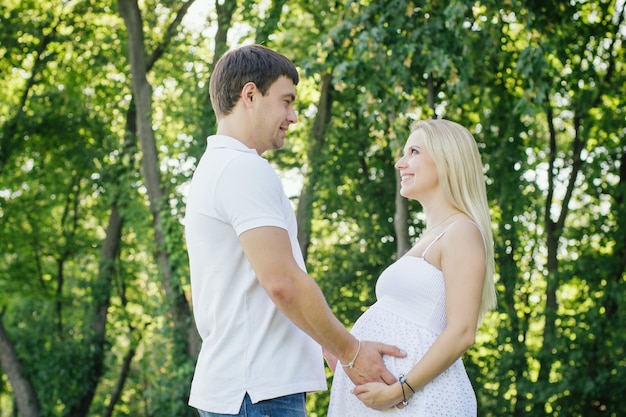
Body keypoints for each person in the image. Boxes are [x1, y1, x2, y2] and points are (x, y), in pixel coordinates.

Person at [184, 44, 405, 417]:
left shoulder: (216, 168)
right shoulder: (243, 169)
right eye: (286, 101)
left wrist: (327, 345)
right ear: (250, 94)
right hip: (257, 393)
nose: (294, 116)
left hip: (244, 388)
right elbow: (282, 282)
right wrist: (352, 353)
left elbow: (252, 290)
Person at [326, 119, 497, 416]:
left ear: (447, 160)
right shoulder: (428, 239)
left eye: (413, 151)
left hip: (418, 401)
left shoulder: (461, 231)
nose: (400, 163)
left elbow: (462, 332)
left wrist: (398, 390)